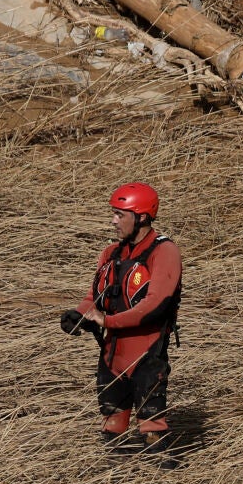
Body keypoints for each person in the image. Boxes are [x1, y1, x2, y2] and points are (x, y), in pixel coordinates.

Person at [66, 182, 182, 459]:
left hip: (146, 355)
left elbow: (155, 305)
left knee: (152, 430)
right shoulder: (110, 254)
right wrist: (79, 315)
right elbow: (94, 296)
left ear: (141, 217)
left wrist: (107, 321)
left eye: (120, 215)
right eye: (113, 214)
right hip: (111, 355)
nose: (113, 221)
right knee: (111, 429)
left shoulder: (164, 252)